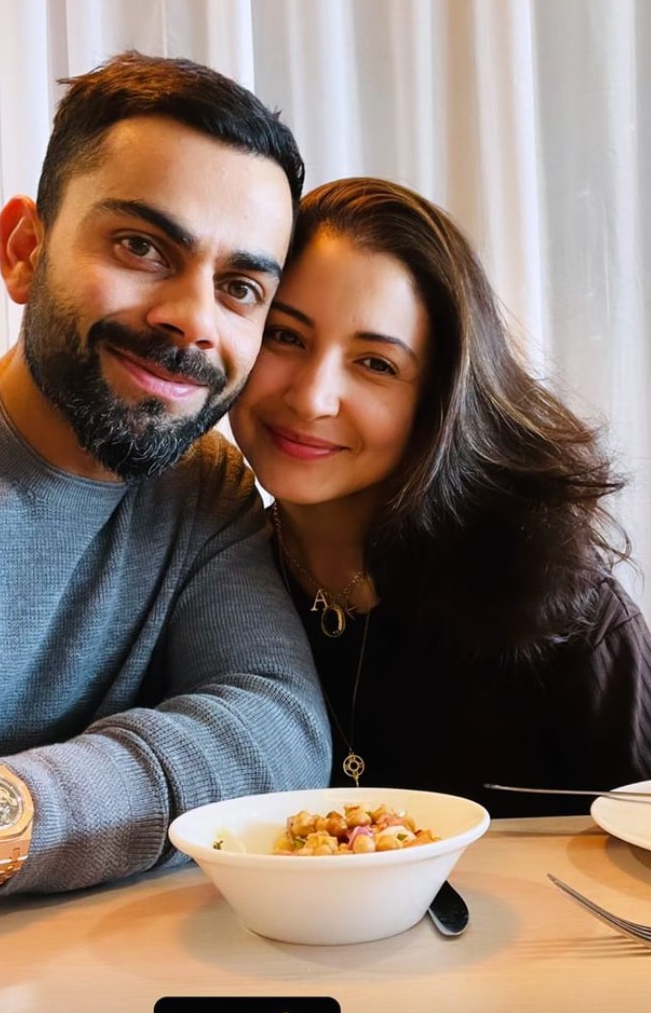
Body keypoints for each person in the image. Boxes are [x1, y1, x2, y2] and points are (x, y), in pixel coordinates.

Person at [0, 51, 331, 957]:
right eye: (142, 247)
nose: (193, 320)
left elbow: (277, 730)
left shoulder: (206, 494)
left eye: (240, 288)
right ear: (24, 251)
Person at [230, 177, 651, 817]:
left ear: (442, 399)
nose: (311, 397)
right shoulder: (208, 577)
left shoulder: (562, 607)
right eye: (286, 337)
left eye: (376, 364)